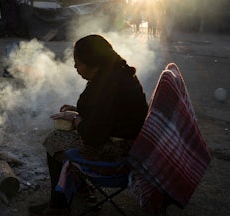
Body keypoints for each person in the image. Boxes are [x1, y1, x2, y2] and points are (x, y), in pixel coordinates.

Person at [29, 34, 148, 215]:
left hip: (119, 154)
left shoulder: (109, 84)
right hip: (131, 144)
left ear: (94, 62)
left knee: (55, 140)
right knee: (64, 137)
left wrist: (76, 119)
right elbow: (108, 113)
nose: (75, 66)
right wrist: (78, 111)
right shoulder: (115, 73)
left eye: (78, 62)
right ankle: (78, 192)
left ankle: (59, 206)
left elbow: (93, 135)